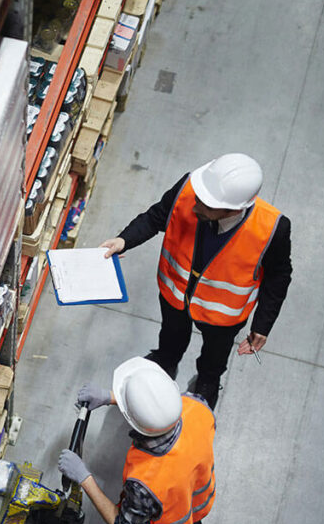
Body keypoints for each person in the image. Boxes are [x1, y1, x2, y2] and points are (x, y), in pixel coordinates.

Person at [100, 153, 292, 409]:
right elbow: (157, 216)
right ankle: (166, 361)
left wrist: (263, 324)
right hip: (175, 296)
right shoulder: (191, 188)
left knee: (214, 358)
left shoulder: (271, 228)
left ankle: (207, 383)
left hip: (222, 317)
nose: (195, 207)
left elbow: (279, 276)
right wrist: (124, 240)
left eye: (207, 206)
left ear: (235, 209)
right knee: (170, 337)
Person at [58, 357, 219, 524]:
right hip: (194, 506)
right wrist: (110, 397)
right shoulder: (198, 406)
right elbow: (158, 412)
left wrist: (84, 477)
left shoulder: (146, 480)